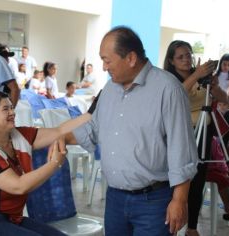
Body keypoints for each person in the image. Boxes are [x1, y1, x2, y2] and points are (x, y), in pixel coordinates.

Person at [69, 26, 198, 235]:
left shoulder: (168, 89)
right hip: (115, 199)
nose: (103, 67)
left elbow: (181, 149)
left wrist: (179, 200)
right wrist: (54, 137)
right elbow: (92, 130)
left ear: (130, 58)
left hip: (153, 203)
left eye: (107, 60)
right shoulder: (110, 89)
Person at [0, 90, 93, 235]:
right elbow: (18, 186)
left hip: (12, 219)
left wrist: (92, 112)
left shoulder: (19, 135)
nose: (12, 112)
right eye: (5, 109)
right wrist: (55, 163)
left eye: (12, 107)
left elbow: (60, 130)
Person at [163, 40, 229, 236]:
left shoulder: (203, 75)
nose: (187, 60)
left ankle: (192, 228)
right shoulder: (168, 79)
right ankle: (171, 226)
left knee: (198, 178)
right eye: (181, 57)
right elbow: (174, 96)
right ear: (171, 61)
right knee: (177, 178)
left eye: (189, 55)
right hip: (179, 131)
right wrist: (196, 75)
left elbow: (225, 100)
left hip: (204, 131)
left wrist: (215, 86)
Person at [206, 110, 229, 222]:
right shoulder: (211, 138)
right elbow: (219, 159)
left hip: (218, 166)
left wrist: (225, 169)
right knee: (223, 178)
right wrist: (225, 170)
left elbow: (220, 159)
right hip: (209, 168)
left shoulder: (215, 138)